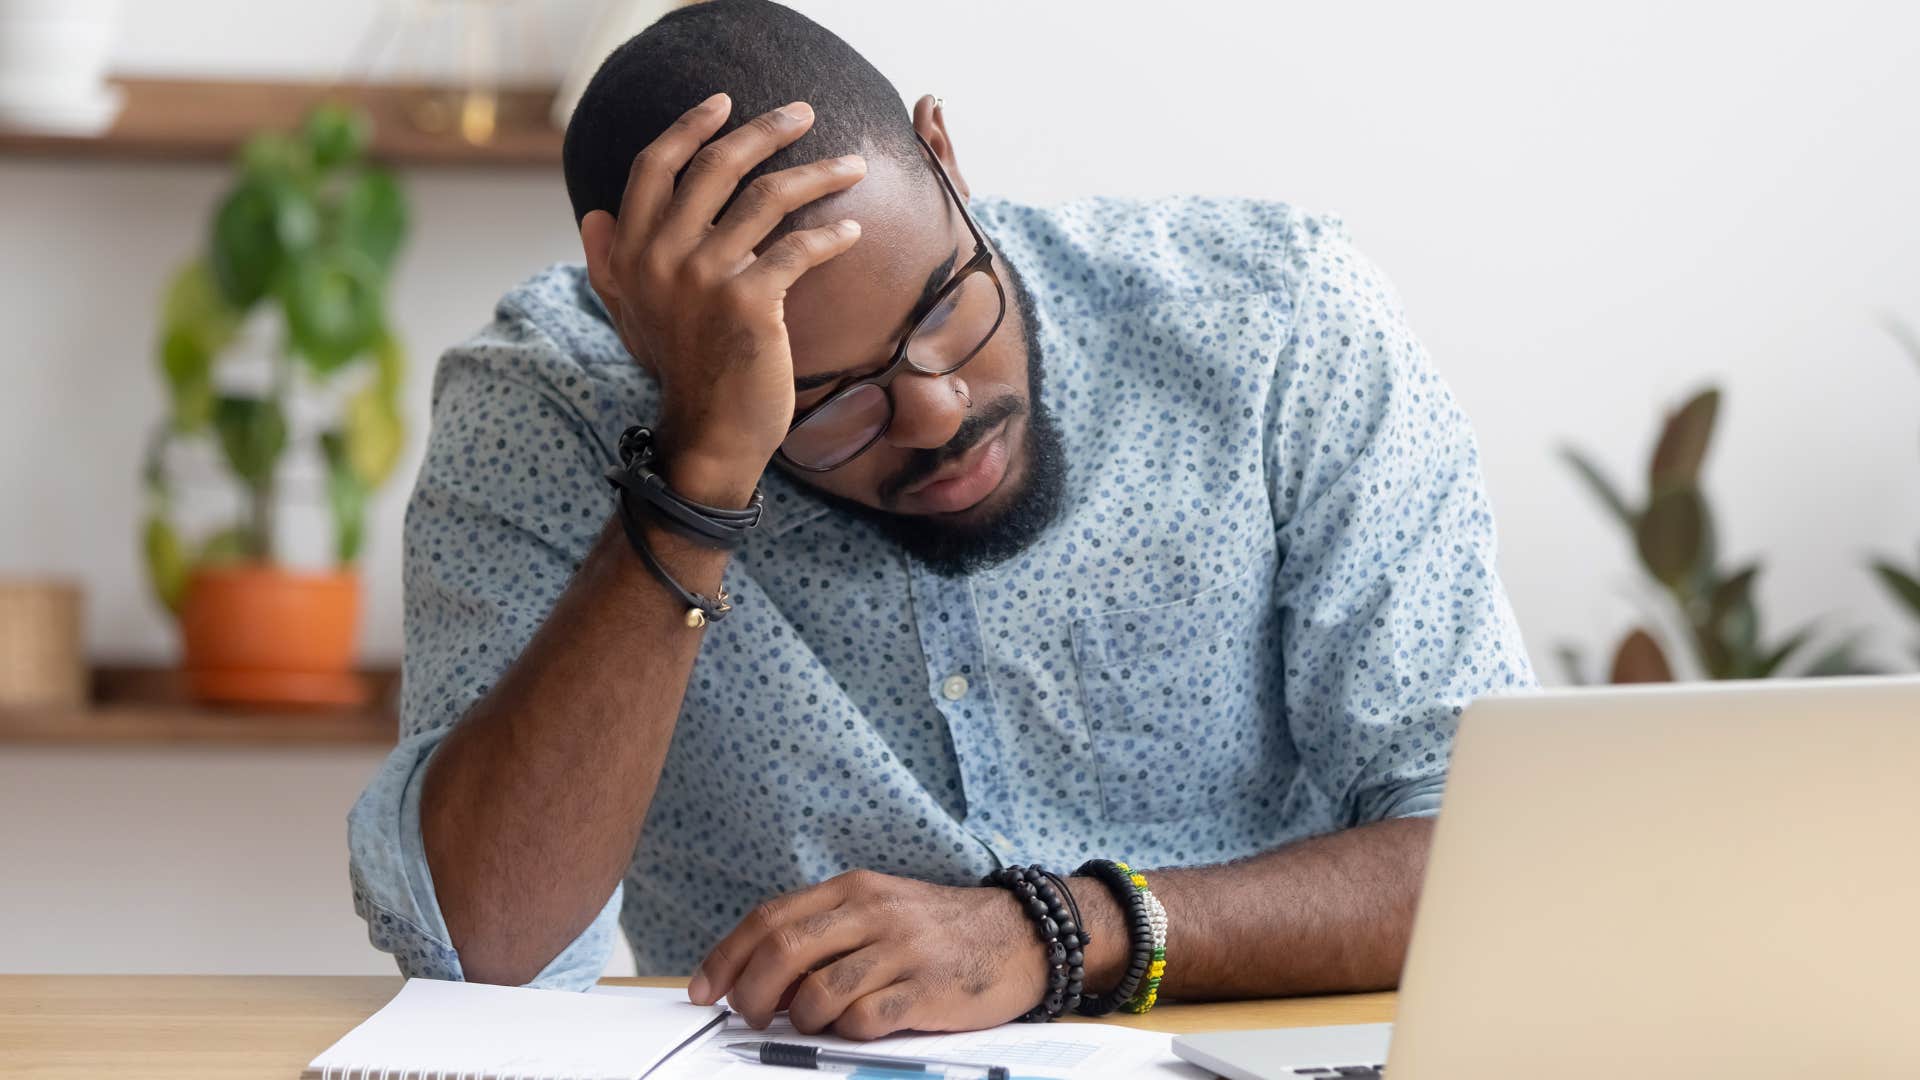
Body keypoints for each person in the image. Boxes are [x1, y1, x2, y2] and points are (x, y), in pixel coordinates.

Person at [348, 0, 1533, 1040]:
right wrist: (701, 466)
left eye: (945, 305)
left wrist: (1058, 934)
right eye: (821, 399)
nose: (937, 410)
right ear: (634, 323)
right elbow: (485, 950)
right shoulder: (547, 404)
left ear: (946, 156)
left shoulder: (1277, 325)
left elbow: (1493, 854)